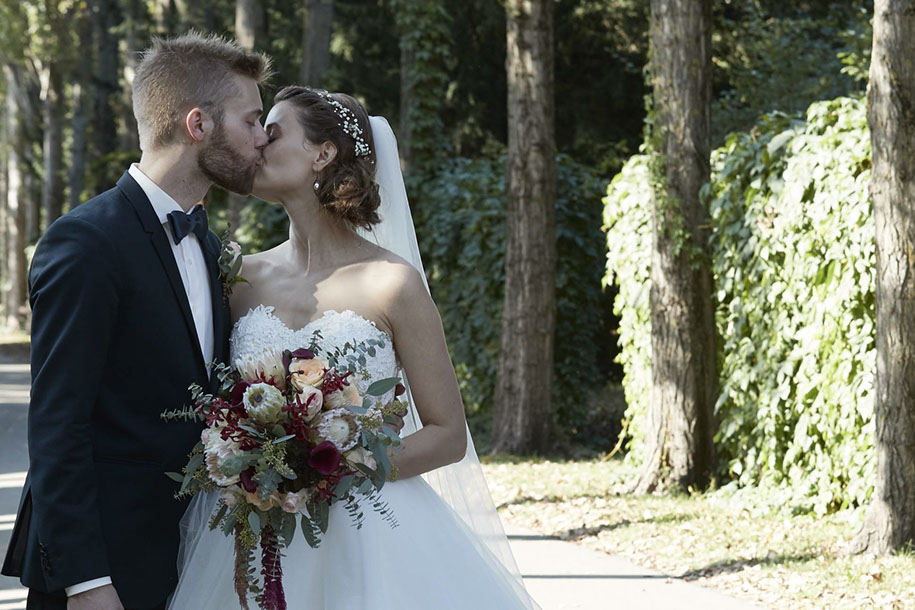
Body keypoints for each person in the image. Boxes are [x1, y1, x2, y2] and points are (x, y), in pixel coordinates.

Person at [168, 86, 539, 609]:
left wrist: (330, 465)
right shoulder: (239, 277)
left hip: (373, 538)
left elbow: (448, 435)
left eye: (272, 132)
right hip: (260, 528)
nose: (257, 144)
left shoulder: (392, 283)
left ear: (322, 154)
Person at [0, 32, 273, 610]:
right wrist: (85, 581)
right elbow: (58, 425)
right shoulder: (86, 242)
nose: (262, 138)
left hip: (189, 561)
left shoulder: (210, 246)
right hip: (104, 573)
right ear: (198, 124)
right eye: (251, 120)